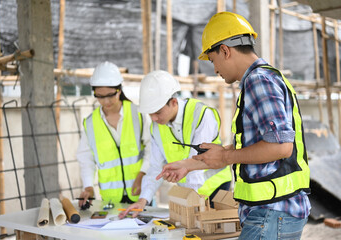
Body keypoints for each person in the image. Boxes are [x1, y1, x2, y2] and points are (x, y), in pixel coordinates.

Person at [157, 12, 311, 240]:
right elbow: (256, 146)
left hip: (271, 213)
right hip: (273, 213)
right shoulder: (263, 79)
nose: (215, 69)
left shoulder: (259, 81)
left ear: (226, 51)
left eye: (212, 60)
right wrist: (188, 165)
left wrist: (226, 158)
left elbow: (281, 147)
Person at [119, 70, 232, 219]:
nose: (153, 118)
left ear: (173, 102)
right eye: (150, 113)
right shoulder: (157, 127)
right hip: (190, 195)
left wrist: (193, 205)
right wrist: (143, 201)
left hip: (217, 191)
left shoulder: (201, 115)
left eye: (157, 112)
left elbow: (196, 165)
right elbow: (155, 167)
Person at [76, 61, 150, 208]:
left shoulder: (138, 114)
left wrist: (142, 174)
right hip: (110, 201)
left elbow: (152, 148)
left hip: (140, 195)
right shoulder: (90, 123)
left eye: (110, 95)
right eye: (100, 96)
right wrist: (88, 187)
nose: (106, 101)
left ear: (119, 90)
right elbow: (86, 159)